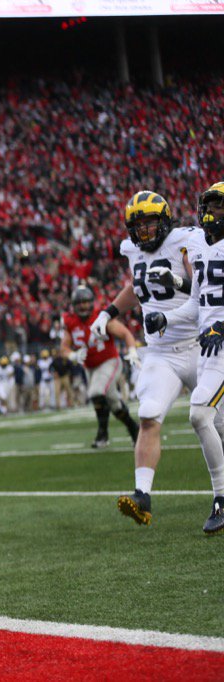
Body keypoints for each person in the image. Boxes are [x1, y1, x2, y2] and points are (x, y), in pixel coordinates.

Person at [89, 191, 202, 526]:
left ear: (164, 221)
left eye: (150, 223)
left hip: (199, 346)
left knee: (216, 422)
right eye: (138, 225)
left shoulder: (183, 242)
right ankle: (142, 496)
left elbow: (203, 289)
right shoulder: (132, 250)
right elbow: (137, 288)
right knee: (149, 414)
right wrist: (108, 312)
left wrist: (176, 282)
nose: (145, 231)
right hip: (161, 352)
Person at [146, 181, 224, 534]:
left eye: (218, 205)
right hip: (209, 347)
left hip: (220, 344)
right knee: (216, 423)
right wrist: (167, 317)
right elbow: (196, 304)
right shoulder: (198, 246)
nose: (211, 212)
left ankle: (221, 498)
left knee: (199, 414)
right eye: (208, 205)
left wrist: (221, 326)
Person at [60, 286, 140, 448]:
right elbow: (64, 348)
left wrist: (132, 350)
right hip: (90, 367)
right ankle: (134, 429)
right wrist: (72, 355)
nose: (83, 306)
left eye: (86, 302)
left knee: (96, 392)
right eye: (79, 303)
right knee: (114, 403)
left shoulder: (101, 317)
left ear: (92, 302)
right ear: (74, 305)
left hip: (109, 361)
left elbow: (125, 333)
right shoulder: (71, 322)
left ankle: (102, 434)